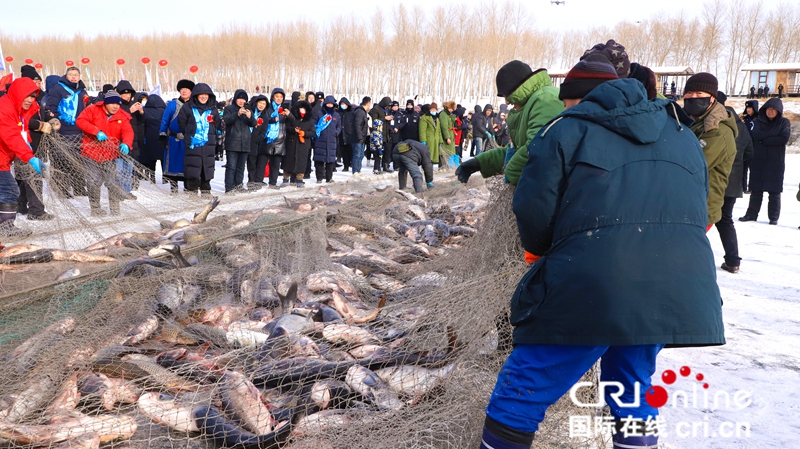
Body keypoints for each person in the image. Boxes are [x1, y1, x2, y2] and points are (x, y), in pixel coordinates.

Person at [481, 60, 724, 449]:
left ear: (580, 99)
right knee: (631, 387)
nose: (564, 109)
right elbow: (700, 199)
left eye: (568, 102)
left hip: (594, 279)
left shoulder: (565, 128)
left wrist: (542, 252)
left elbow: (533, 207)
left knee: (523, 385)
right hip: (674, 283)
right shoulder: (679, 130)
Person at [456, 60, 564, 186]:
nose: (506, 102)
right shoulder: (532, 102)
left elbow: (538, 147)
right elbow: (515, 150)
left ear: (517, 87)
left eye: (507, 95)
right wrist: (479, 162)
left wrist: (511, 172)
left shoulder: (546, 99)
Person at [683, 73, 737, 227]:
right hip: (681, 204)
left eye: (700, 94)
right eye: (689, 93)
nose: (693, 97)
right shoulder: (688, 120)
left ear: (712, 98)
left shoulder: (717, 131)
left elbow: (691, 166)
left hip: (700, 208)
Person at [75, 90, 133, 216]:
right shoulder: (92, 110)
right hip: (90, 152)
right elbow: (80, 121)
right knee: (93, 180)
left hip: (110, 154)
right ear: (105, 103)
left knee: (112, 182)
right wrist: (96, 131)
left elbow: (128, 131)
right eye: (112, 103)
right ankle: (95, 208)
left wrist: (127, 143)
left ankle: (115, 208)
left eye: (118, 104)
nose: (115, 106)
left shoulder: (122, 116)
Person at [0, 78, 46, 235]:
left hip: (4, 157)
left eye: (33, 96)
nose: (30, 100)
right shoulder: (4, 108)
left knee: (7, 190)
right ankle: (5, 228)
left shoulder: (21, 110)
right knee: (10, 190)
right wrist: (29, 157)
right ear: (17, 94)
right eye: (26, 96)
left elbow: (21, 132)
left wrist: (27, 147)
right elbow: (11, 136)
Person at [716, 95, 754, 274]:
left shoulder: (714, 121)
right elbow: (749, 151)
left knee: (700, 219)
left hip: (715, 180)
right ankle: (733, 260)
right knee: (725, 220)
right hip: (733, 181)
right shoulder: (741, 125)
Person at [739, 98, 791, 225]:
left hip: (775, 162)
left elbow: (783, 138)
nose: (770, 111)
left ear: (778, 111)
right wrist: (772, 136)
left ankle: (773, 217)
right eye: (768, 109)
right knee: (756, 190)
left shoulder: (784, 122)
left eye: (773, 109)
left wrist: (765, 140)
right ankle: (751, 214)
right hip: (758, 160)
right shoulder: (758, 121)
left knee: (774, 192)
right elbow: (755, 135)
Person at [16, 65, 55, 221]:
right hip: (25, 144)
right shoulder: (20, 99)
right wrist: (39, 125)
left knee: (23, 176)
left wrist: (50, 120)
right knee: (33, 177)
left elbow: (43, 114)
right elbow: (22, 120)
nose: (37, 84)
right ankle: (36, 211)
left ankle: (20, 205)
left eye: (39, 81)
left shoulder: (37, 99)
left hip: (37, 143)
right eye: (34, 81)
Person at [44, 66, 89, 198]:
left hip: (79, 131)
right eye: (71, 74)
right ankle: (61, 189)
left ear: (79, 77)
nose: (74, 77)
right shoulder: (58, 89)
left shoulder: (82, 92)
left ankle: (79, 188)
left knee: (78, 161)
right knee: (61, 160)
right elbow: (50, 109)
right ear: (66, 76)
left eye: (76, 74)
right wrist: (57, 121)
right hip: (63, 131)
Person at [177, 83, 220, 196]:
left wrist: (213, 123)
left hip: (208, 144)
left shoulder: (213, 109)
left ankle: (206, 190)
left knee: (207, 167)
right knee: (192, 167)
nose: (203, 97)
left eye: (206, 94)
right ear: (196, 95)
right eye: (201, 94)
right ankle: (191, 190)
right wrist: (189, 133)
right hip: (193, 144)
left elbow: (218, 124)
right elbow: (181, 123)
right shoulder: (187, 107)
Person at [159, 79, 195, 194]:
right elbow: (165, 120)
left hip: (189, 139)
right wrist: (163, 133)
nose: (184, 91)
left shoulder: (194, 105)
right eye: (182, 89)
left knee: (187, 163)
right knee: (172, 163)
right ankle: (173, 188)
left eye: (187, 89)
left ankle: (187, 187)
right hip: (174, 139)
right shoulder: (172, 104)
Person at [254, 88, 292, 189]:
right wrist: (273, 119)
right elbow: (263, 119)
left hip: (280, 141)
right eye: (277, 97)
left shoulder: (285, 109)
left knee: (275, 164)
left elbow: (292, 123)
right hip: (267, 139)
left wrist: (289, 116)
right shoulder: (268, 108)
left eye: (281, 97)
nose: (279, 99)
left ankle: (273, 183)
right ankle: (258, 182)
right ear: (272, 97)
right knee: (261, 163)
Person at [222, 89, 256, 193]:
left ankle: (239, 185)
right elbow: (227, 120)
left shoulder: (248, 110)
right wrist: (237, 114)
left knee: (241, 167)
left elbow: (253, 123)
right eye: (239, 99)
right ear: (235, 99)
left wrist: (250, 117)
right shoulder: (229, 109)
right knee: (231, 166)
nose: (241, 101)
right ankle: (229, 187)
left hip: (245, 143)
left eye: (244, 99)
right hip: (232, 142)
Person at [115, 81, 142, 200]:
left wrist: (141, 112)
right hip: (119, 141)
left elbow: (141, 122)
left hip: (132, 142)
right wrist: (129, 111)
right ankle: (117, 191)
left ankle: (126, 191)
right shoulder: (116, 105)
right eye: (124, 94)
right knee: (118, 170)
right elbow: (116, 119)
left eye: (129, 94)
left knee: (128, 169)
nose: (127, 96)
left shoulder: (133, 104)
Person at [282, 100, 315, 187]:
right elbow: (287, 128)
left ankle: (299, 180)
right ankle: (285, 179)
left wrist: (305, 133)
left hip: (303, 145)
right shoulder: (292, 119)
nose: (302, 111)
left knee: (301, 163)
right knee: (288, 161)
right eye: (300, 109)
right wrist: (293, 130)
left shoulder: (310, 121)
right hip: (291, 143)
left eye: (304, 109)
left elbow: (313, 132)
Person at [312, 96, 342, 184]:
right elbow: (314, 123)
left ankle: (329, 178)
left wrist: (336, 133)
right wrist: (317, 131)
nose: (329, 105)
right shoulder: (319, 113)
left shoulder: (336, 115)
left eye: (331, 104)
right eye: (328, 104)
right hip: (320, 140)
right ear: (325, 104)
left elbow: (339, 127)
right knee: (319, 160)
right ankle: (319, 178)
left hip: (332, 141)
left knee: (330, 161)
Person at [141, 94, 166, 184]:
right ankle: (165, 177)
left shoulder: (145, 111)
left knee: (151, 159)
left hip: (149, 137)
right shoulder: (164, 110)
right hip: (162, 137)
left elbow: (143, 124)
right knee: (163, 158)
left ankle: (152, 177)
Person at [247, 94, 268, 186]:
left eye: (264, 103)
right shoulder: (251, 112)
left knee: (257, 163)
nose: (261, 105)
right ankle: (251, 181)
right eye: (260, 103)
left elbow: (264, 130)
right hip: (248, 141)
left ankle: (256, 181)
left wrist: (258, 139)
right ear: (256, 103)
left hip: (257, 142)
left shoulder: (265, 116)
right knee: (251, 163)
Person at [369, 97, 392, 174]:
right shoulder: (376, 109)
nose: (387, 107)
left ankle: (385, 166)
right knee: (378, 151)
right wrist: (384, 118)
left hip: (386, 133)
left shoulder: (387, 110)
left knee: (387, 151)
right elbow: (374, 120)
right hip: (378, 133)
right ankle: (377, 167)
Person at [349, 96, 371, 176]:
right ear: (368, 103)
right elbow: (357, 125)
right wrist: (359, 137)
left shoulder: (363, 112)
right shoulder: (359, 112)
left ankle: (358, 170)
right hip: (357, 138)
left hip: (362, 138)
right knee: (357, 154)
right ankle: (355, 171)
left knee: (361, 155)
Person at [741, 100, 758, 193]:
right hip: (745, 147)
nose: (748, 110)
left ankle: (752, 187)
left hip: (755, 147)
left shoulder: (759, 119)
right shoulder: (744, 120)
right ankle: (743, 187)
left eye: (750, 108)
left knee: (754, 169)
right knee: (743, 168)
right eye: (747, 108)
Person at [418, 103, 442, 167]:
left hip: (435, 139)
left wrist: (440, 140)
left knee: (434, 154)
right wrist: (423, 140)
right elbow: (422, 130)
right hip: (428, 138)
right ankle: (426, 166)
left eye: (434, 110)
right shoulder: (425, 117)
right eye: (432, 109)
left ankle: (431, 166)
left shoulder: (437, 118)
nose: (433, 111)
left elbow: (439, 130)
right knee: (428, 153)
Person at [439, 101, 457, 168]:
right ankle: (444, 166)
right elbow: (444, 127)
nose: (451, 110)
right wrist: (447, 137)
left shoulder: (448, 115)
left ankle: (448, 166)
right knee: (445, 152)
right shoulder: (443, 114)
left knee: (450, 152)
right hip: (447, 136)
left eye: (452, 109)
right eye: (450, 108)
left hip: (451, 134)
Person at [338, 97, 353, 172]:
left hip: (350, 135)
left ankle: (351, 163)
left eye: (344, 104)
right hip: (341, 135)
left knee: (351, 150)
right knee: (344, 152)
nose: (343, 105)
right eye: (341, 104)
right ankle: (345, 165)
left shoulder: (351, 112)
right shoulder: (338, 112)